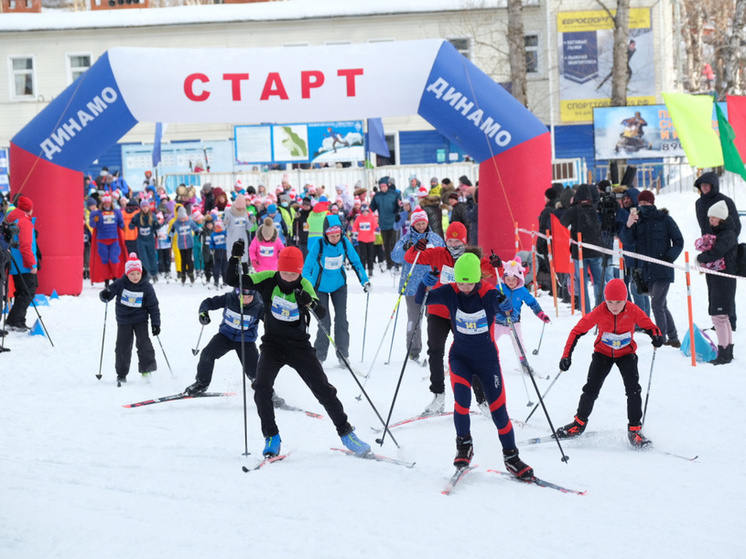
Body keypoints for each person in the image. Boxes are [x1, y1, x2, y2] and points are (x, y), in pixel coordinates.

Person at [226, 242, 372, 458]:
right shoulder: (267, 278)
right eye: (283, 272)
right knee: (261, 387)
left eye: (292, 273)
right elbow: (233, 280)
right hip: (272, 345)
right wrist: (235, 259)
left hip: (299, 346)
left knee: (323, 389)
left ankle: (346, 433)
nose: (287, 277)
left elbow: (321, 313)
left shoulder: (304, 284)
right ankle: (271, 437)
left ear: (299, 271)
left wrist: (309, 303)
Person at [415, 253, 533, 478]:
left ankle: (511, 457)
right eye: (461, 281)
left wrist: (505, 304)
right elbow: (422, 300)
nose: (465, 286)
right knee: (462, 402)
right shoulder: (451, 292)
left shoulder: (487, 292)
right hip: (460, 358)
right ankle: (464, 446)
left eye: (469, 281)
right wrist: (424, 284)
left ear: (477, 278)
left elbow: (505, 308)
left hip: (487, 361)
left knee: (499, 411)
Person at [555, 278, 663, 447]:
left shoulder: (632, 310)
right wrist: (566, 356)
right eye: (610, 302)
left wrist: (656, 336)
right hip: (602, 354)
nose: (614, 306)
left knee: (634, 390)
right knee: (590, 389)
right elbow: (577, 331)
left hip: (626, 354)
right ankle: (578, 424)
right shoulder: (600, 311)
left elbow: (650, 326)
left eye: (618, 302)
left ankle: (634, 430)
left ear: (625, 299)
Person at [404, 222, 497, 415]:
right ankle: (438, 396)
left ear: (465, 241)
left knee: (469, 353)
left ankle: (482, 399)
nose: (453, 245)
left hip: (462, 312)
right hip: (437, 311)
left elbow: (496, 273)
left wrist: (497, 264)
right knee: (435, 351)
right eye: (450, 241)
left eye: (457, 242)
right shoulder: (437, 253)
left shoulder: (471, 259)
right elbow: (410, 257)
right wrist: (416, 247)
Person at [303, 214, 370, 366]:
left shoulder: (345, 243)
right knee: (324, 322)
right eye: (331, 236)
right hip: (319, 287)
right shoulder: (318, 244)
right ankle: (319, 355)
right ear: (325, 234)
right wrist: (306, 288)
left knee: (341, 319)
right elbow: (307, 268)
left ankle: (343, 355)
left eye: (337, 235)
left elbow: (356, 261)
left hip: (339, 286)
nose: (335, 238)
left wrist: (364, 280)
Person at [619, 190, 683, 347]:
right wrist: (628, 224)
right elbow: (626, 240)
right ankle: (673, 338)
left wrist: (669, 258)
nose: (642, 206)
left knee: (656, 304)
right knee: (661, 304)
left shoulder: (665, 219)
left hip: (662, 269)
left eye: (645, 203)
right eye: (640, 203)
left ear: (652, 203)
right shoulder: (637, 221)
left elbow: (678, 241)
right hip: (645, 270)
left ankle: (659, 338)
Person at [184, 287, 265, 395]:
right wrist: (203, 314)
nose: (245, 300)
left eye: (249, 297)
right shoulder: (229, 298)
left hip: (246, 341)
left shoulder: (259, 306)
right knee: (207, 355)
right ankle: (201, 384)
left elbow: (270, 322)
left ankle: (267, 393)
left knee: (255, 373)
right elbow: (208, 303)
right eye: (242, 297)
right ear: (237, 295)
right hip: (225, 336)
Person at [391, 207, 445, 364]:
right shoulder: (406, 239)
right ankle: (413, 350)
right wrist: (409, 248)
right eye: (418, 223)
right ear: (412, 224)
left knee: (434, 319)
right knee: (414, 319)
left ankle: (434, 349)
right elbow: (395, 256)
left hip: (433, 285)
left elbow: (443, 255)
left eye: (423, 223)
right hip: (412, 286)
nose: (421, 226)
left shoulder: (435, 239)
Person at [99, 253, 161, 385]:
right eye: (132, 274)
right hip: (124, 320)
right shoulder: (120, 283)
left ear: (141, 272)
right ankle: (121, 374)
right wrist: (105, 294)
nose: (135, 277)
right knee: (123, 347)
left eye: (137, 273)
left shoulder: (146, 287)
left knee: (144, 344)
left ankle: (146, 370)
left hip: (141, 319)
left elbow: (153, 306)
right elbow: (107, 294)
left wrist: (156, 324)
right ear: (127, 273)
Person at [694, 171, 740, 330]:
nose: (705, 187)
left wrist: (724, 243)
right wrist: (706, 245)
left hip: (726, 249)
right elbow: (703, 226)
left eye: (708, 185)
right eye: (702, 185)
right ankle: (719, 319)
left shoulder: (725, 201)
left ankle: (730, 320)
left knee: (726, 285)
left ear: (714, 186)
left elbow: (736, 227)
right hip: (710, 250)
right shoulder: (698, 203)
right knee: (713, 285)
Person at [695, 200, 738, 364]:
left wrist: (700, 258)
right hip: (719, 279)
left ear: (721, 218)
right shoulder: (723, 232)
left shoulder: (727, 234)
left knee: (719, 317)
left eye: (713, 218)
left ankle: (724, 354)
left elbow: (717, 252)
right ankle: (727, 351)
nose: (710, 221)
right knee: (723, 317)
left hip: (723, 279)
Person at [495, 257, 552, 374]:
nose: (510, 282)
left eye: (513, 280)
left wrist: (541, 314)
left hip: (514, 322)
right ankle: (483, 360)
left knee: (519, 343)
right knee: (489, 342)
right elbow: (488, 299)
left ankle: (523, 363)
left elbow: (532, 303)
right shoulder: (499, 289)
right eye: (508, 279)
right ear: (504, 278)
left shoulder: (522, 291)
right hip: (498, 322)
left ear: (519, 279)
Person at [560, 184, 605, 313]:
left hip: (579, 252)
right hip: (596, 249)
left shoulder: (574, 210)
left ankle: (586, 311)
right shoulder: (595, 208)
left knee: (582, 283)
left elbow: (563, 222)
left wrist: (572, 205)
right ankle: (601, 308)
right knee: (598, 281)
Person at [4, 195, 38, 332]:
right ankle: (14, 320)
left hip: (15, 263)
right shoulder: (25, 222)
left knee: (22, 292)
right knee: (28, 292)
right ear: (29, 209)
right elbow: (25, 246)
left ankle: (18, 320)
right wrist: (32, 265)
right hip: (24, 265)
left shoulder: (14, 219)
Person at [89, 193, 127, 287]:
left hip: (114, 239)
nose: (107, 205)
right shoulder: (96, 213)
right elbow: (92, 225)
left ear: (111, 202)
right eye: (105, 203)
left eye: (108, 203)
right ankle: (106, 279)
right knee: (104, 260)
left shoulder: (116, 212)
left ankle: (115, 277)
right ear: (103, 203)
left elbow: (120, 223)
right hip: (102, 240)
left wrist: (124, 228)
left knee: (114, 259)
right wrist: (94, 220)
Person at [369, 177, 402, 270]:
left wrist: (399, 209)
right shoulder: (377, 196)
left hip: (393, 222)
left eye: (384, 186)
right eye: (381, 187)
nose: (383, 188)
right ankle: (389, 263)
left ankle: (396, 262)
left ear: (388, 185)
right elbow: (372, 208)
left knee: (394, 243)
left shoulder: (395, 194)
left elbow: (400, 206)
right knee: (386, 244)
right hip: (383, 223)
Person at [128, 199, 160, 282]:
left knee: (152, 256)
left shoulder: (152, 216)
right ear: (141, 208)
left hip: (150, 240)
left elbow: (157, 227)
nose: (145, 208)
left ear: (148, 207)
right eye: (143, 207)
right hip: (141, 240)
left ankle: (154, 273)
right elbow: (130, 227)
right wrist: (132, 223)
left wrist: (157, 224)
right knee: (143, 258)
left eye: (146, 207)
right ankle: (147, 273)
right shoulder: (138, 216)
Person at [169, 206, 200, 284]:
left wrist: (197, 232)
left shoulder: (189, 221)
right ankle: (183, 275)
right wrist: (172, 231)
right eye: (181, 218)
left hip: (189, 243)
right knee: (183, 260)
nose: (182, 220)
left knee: (189, 259)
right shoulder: (176, 223)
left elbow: (195, 228)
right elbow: (171, 234)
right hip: (181, 244)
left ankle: (191, 274)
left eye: (183, 218)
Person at [223, 194, 253, 266]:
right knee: (233, 261)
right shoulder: (229, 212)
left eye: (241, 207)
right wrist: (225, 223)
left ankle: (245, 275)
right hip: (232, 240)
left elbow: (247, 227)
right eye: (238, 207)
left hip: (242, 239)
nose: (240, 209)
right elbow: (224, 226)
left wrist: (252, 222)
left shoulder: (244, 213)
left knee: (243, 260)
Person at [352, 203, 378, 276]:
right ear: (361, 212)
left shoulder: (372, 217)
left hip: (370, 239)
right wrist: (353, 231)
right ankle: (363, 269)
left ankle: (370, 270)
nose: (365, 213)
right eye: (363, 212)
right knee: (363, 256)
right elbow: (355, 227)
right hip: (361, 239)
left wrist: (377, 228)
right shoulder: (359, 218)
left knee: (370, 256)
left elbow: (375, 225)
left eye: (366, 211)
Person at [209, 220, 228, 287]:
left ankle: (225, 281)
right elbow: (211, 243)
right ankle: (216, 281)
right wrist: (211, 248)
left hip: (224, 251)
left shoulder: (224, 233)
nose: (217, 229)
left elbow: (229, 239)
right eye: (216, 227)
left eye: (219, 227)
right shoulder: (213, 234)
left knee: (224, 268)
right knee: (216, 267)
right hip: (217, 252)